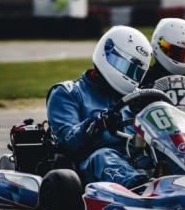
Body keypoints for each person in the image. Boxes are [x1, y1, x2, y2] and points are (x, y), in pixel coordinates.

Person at [46, 25, 152, 188]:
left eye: (135, 72)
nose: (130, 77)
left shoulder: (138, 98)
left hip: (134, 160)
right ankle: (139, 188)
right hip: (87, 166)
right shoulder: (68, 92)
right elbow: (66, 142)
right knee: (105, 156)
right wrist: (97, 123)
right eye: (126, 67)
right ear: (107, 54)